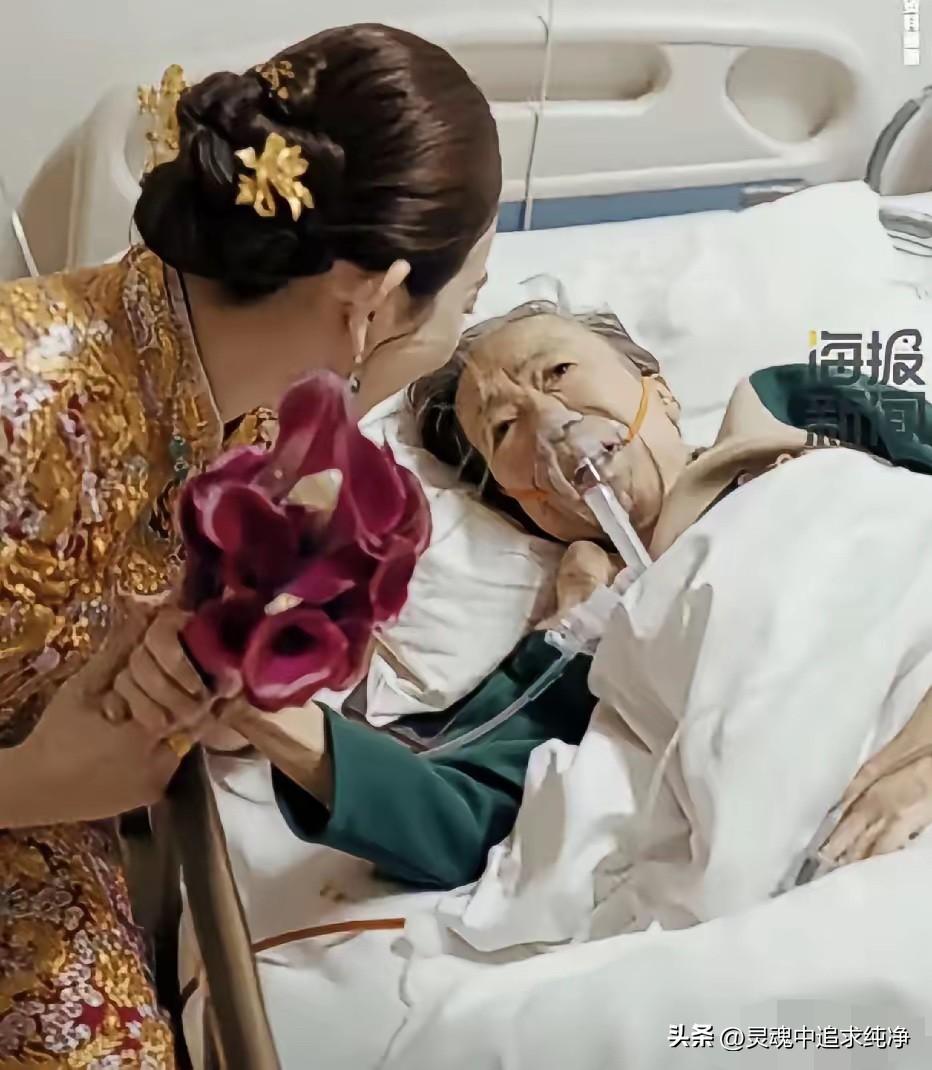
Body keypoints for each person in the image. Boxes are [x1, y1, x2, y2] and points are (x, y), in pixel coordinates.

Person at [0, 24, 499, 1066]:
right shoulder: (25, 405)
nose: (463, 329)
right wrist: (40, 781)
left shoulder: (252, 426)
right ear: (374, 297)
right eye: (472, 297)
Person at [122, 300, 932, 900]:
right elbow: (455, 814)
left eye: (558, 374)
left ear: (657, 388)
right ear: (527, 508)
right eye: (503, 428)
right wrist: (259, 697)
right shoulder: (577, 643)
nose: (549, 421)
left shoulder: (793, 405)